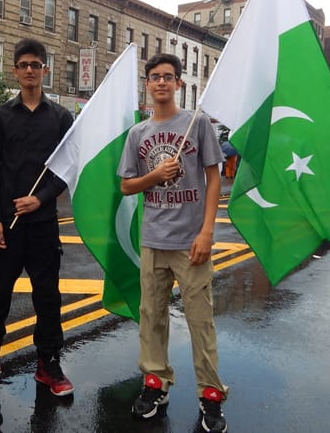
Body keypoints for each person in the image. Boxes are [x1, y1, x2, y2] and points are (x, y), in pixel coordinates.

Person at [118, 53, 228, 430]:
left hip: (190, 241)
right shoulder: (138, 134)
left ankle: (210, 395)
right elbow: (127, 184)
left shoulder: (197, 125)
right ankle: (155, 382)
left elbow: (214, 178)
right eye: (154, 77)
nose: (161, 82)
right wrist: (156, 175)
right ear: (146, 84)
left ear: (179, 83)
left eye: (168, 77)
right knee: (152, 316)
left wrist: (207, 231)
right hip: (153, 239)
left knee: (200, 319)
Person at [0, 38, 75, 397]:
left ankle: (49, 363)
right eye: (23, 64)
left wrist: (40, 199)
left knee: (47, 297)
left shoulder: (61, 117)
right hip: (5, 226)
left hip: (42, 225)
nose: (29, 70)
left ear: (45, 69)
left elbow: (67, 169)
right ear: (15, 70)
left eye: (35, 64)